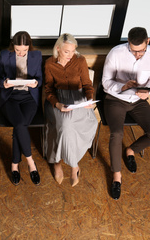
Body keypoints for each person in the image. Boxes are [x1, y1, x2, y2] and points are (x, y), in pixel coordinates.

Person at [102, 27, 150, 200]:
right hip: (115, 99)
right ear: (128, 43)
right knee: (117, 134)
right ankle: (117, 176)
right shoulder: (115, 53)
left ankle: (130, 151)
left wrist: (147, 93)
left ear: (147, 42)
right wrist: (123, 86)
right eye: (133, 51)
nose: (137, 55)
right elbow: (106, 83)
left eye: (141, 51)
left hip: (138, 100)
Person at [44, 33, 98, 187]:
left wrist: (89, 99)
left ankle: (68, 163)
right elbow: (48, 90)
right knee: (65, 126)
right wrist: (58, 104)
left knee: (83, 124)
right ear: (58, 48)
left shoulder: (80, 61)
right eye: (67, 51)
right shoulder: (49, 64)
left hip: (78, 99)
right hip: (58, 101)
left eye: (73, 51)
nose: (70, 55)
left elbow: (87, 84)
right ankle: (64, 164)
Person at [0, 31, 43, 185]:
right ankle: (30, 163)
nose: (21, 53)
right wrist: (4, 83)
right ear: (13, 47)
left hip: (29, 97)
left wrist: (36, 83)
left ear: (29, 46)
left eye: (24, 50)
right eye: (18, 50)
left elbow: (40, 79)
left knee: (19, 125)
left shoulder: (36, 55)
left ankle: (14, 165)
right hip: (10, 97)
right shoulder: (4, 55)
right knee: (20, 124)